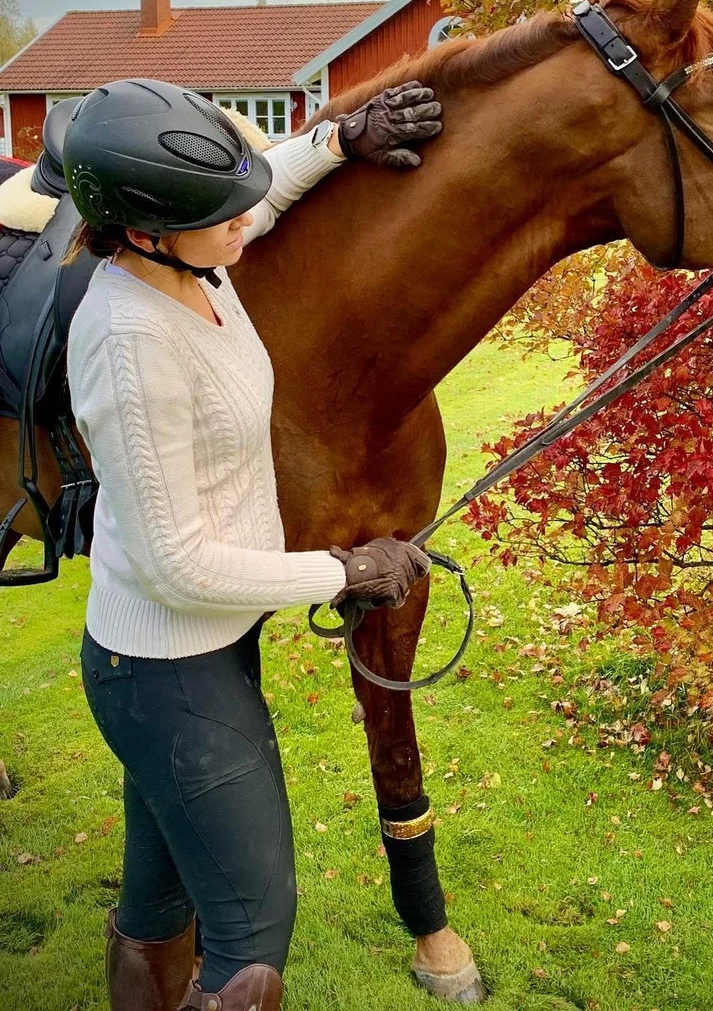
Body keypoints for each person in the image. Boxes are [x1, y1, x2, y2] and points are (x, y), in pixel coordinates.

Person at [63, 77, 440, 1011]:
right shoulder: (129, 341)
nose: (246, 220)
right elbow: (175, 564)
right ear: (148, 228)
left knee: (157, 904)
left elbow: (260, 193)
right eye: (220, 213)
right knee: (252, 930)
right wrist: (344, 570)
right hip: (164, 673)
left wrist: (339, 139)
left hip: (194, 657)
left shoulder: (198, 263)